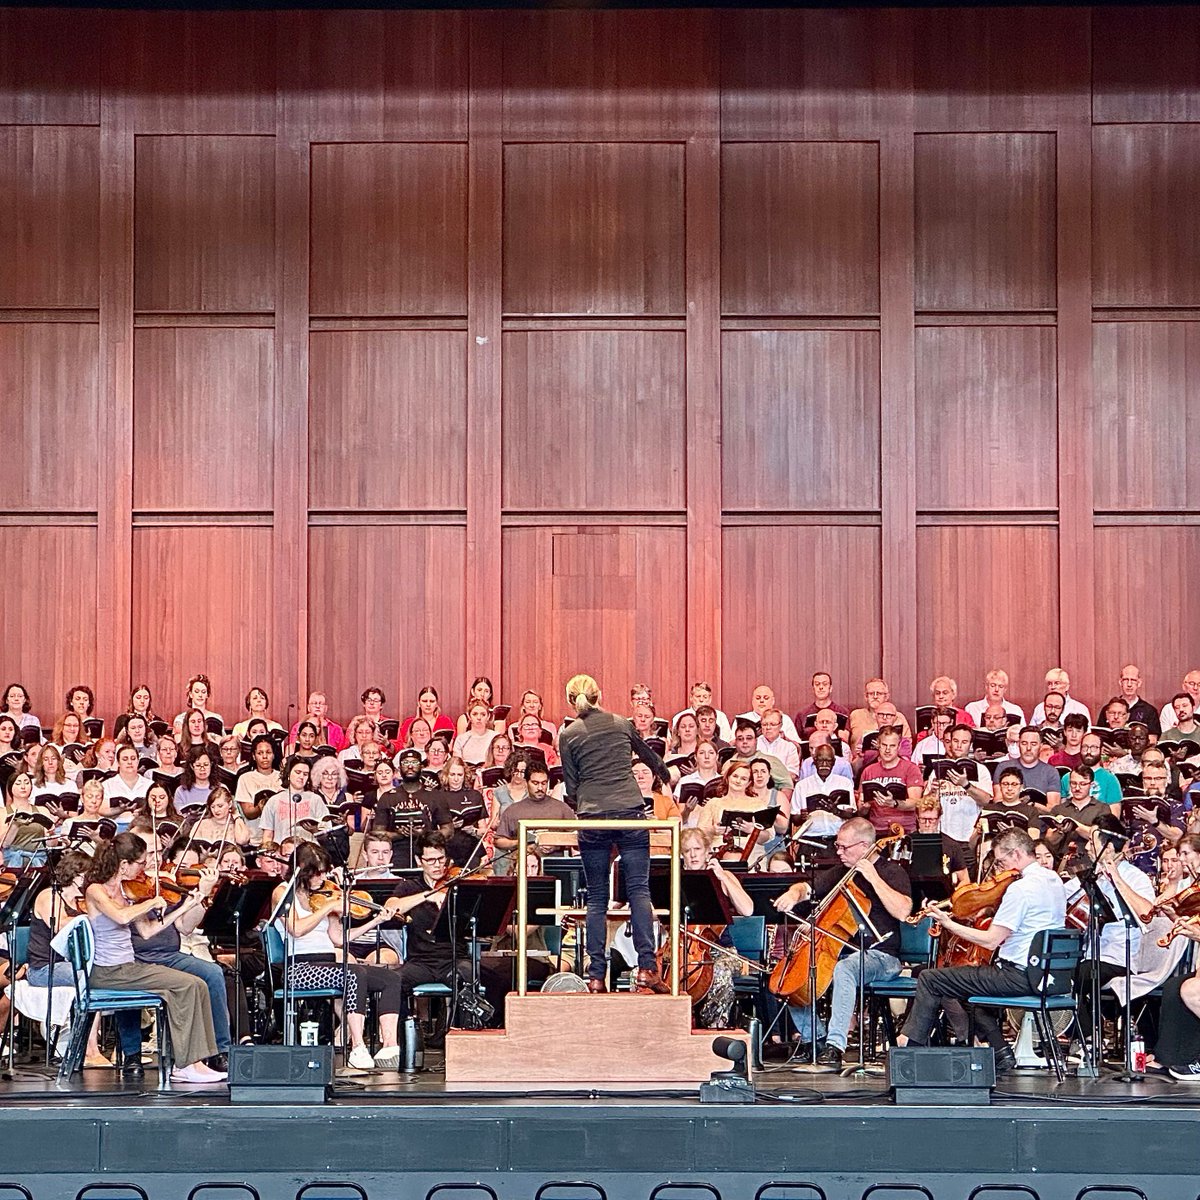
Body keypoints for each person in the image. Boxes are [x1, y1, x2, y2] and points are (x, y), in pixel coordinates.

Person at [896, 827, 1067, 1073]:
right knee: (958, 982)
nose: (1000, 868)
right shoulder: (1054, 881)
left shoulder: (1020, 888)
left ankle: (909, 1053)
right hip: (1047, 975)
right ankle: (1000, 1051)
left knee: (931, 977)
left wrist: (949, 924)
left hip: (1019, 975)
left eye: (1001, 861)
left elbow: (990, 940)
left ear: (1017, 854)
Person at [558, 673, 671, 994]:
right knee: (638, 890)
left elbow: (571, 786)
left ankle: (596, 975)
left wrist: (585, 803)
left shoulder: (569, 734)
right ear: (599, 695)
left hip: (592, 816)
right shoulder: (621, 723)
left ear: (571, 701)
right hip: (630, 812)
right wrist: (664, 781)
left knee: (596, 897)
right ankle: (647, 968)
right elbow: (653, 760)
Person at [772, 816, 913, 1068]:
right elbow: (807, 887)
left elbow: (903, 910)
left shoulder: (892, 871)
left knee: (844, 969)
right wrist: (794, 894)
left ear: (863, 846)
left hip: (881, 955)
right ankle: (813, 1038)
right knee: (790, 974)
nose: (838, 852)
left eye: (843, 847)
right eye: (837, 846)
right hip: (841, 951)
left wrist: (873, 878)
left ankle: (835, 1046)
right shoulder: (841, 873)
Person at [83, 833, 224, 1083]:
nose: (144, 867)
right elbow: (121, 916)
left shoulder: (128, 892)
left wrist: (186, 906)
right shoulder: (97, 890)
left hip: (127, 968)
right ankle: (185, 1064)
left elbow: (148, 931)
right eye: (140, 862)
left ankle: (198, 1061)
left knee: (198, 982)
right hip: (108, 972)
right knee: (187, 984)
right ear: (123, 864)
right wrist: (151, 903)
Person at [273, 842, 404, 1069]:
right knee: (354, 973)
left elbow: (339, 939)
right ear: (302, 870)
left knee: (391, 978)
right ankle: (357, 1046)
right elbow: (296, 929)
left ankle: (389, 1046)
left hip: (329, 964)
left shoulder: (324, 894)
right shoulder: (283, 891)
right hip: (299, 968)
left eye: (324, 873)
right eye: (317, 874)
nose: (322, 879)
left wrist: (375, 920)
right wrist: (329, 906)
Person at [383, 831, 508, 1025]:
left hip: (454, 959)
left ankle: (454, 1029)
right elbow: (391, 908)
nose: (437, 865)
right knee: (393, 981)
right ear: (419, 861)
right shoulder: (409, 887)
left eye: (441, 859)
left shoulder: (458, 886)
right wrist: (428, 895)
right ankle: (407, 1033)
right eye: (430, 860)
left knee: (470, 976)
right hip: (420, 962)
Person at [493, 761, 574, 874]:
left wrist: (556, 845)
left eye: (544, 783)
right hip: (523, 870)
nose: (540, 787)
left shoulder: (562, 808)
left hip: (554, 869)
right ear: (526, 783)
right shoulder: (513, 810)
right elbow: (499, 841)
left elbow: (576, 838)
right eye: (535, 783)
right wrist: (521, 843)